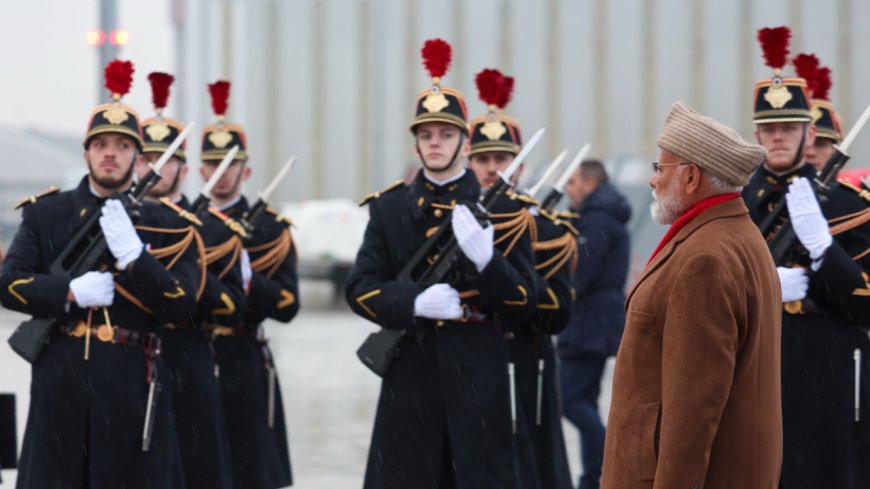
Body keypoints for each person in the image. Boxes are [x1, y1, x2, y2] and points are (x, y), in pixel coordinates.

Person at [345, 39, 538, 489]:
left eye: (446, 134)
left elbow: (526, 304)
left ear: (464, 141)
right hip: (410, 376)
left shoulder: (506, 210)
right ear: (415, 142)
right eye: (426, 134)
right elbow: (359, 288)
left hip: (478, 374)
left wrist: (488, 261)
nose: (435, 143)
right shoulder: (389, 209)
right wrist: (413, 301)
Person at [0, 59, 199, 488]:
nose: (111, 153)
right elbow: (9, 285)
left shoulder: (166, 222)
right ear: (86, 151)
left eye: (123, 145)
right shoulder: (46, 213)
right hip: (61, 386)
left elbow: (183, 303)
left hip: (131, 386)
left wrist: (135, 257)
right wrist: (67, 291)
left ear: (138, 157)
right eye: (101, 143)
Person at [601, 101, 782, 488]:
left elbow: (691, 417)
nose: (653, 181)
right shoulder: (733, 235)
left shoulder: (705, 259)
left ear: (690, 177)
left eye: (659, 168)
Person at [742, 27, 870, 489]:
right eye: (770, 129)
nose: (779, 138)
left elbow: (864, 304)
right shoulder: (737, 206)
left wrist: (824, 252)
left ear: (808, 132)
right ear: (757, 134)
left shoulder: (850, 207)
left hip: (829, 369)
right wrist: (759, 285)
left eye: (789, 129)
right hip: (759, 369)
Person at [467, 68, 576, 489]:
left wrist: (513, 293)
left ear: (521, 164)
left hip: (524, 362)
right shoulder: (455, 225)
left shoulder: (547, 229)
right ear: (468, 162)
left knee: (531, 468)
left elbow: (559, 311)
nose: (493, 169)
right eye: (483, 159)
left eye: (502, 159)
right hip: (467, 363)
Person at [134, 71, 237, 489]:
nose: (157, 167)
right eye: (148, 157)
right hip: (136, 359)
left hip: (188, 355)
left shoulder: (213, 228)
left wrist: (193, 272)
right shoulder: (119, 220)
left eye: (169, 158)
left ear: (184, 167)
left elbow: (234, 304)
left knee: (197, 469)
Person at [199, 79, 298, 489]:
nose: (222, 174)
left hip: (243, 354)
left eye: (231, 165)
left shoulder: (270, 228)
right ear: (199, 169)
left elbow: (288, 305)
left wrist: (249, 280)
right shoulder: (184, 224)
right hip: (195, 354)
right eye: (213, 164)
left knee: (249, 467)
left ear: (247, 170)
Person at [559, 159, 630, 489]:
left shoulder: (597, 219)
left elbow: (581, 272)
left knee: (567, 399)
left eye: (572, 182)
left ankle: (615, 457)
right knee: (584, 400)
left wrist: (555, 296)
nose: (567, 189)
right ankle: (591, 480)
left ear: (589, 184)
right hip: (598, 321)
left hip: (588, 323)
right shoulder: (605, 215)